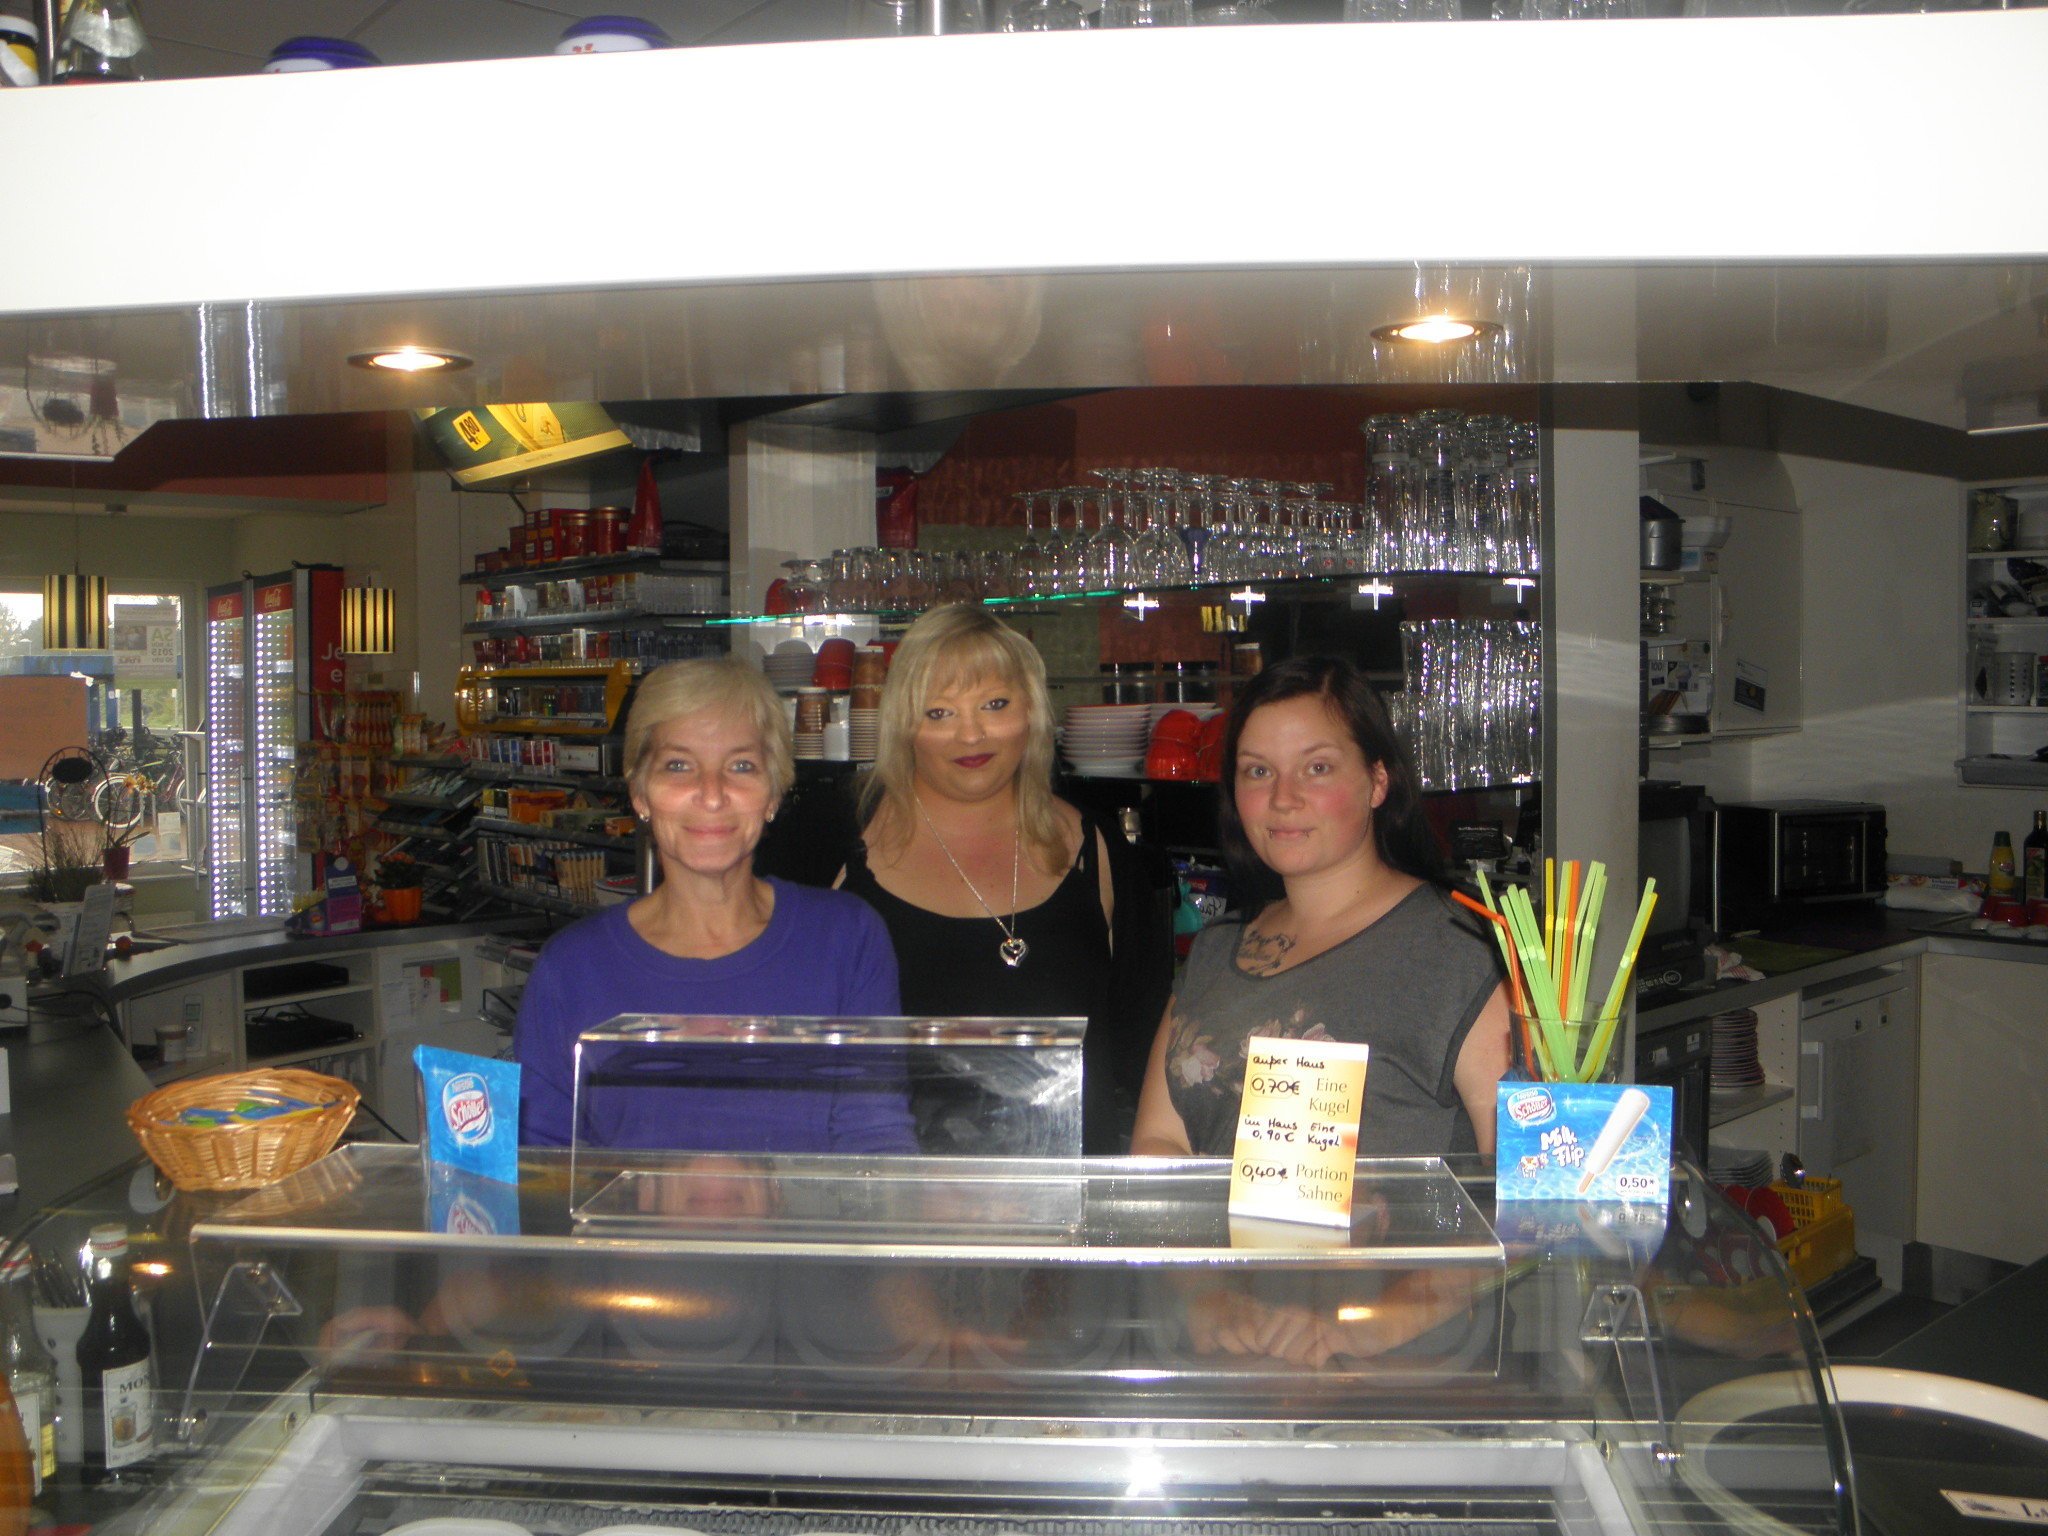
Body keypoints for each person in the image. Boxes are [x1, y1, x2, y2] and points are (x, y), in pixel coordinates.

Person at [514, 657, 916, 1153]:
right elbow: (541, 1166)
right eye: (678, 765)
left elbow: (876, 1141)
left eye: (741, 766)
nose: (711, 795)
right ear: (640, 793)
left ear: (774, 793)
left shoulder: (846, 939)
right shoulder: (571, 967)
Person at [1130, 654, 1511, 1161]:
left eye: (1317, 768)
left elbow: (1511, 1172)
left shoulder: (1456, 948)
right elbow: (1161, 1139)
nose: (1283, 797)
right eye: (1258, 771)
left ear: (1378, 780)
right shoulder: (1215, 950)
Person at [836, 605, 1174, 1153]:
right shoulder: (841, 852)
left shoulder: (1098, 851)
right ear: (902, 725)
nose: (971, 734)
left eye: (995, 705)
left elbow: (1144, 1054)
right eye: (938, 712)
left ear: (1033, 712)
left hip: (1070, 1194)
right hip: (898, 1194)